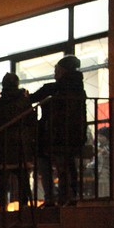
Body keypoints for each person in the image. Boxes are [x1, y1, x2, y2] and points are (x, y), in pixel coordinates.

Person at [29, 55, 87, 207]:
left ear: (62, 70)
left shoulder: (55, 88)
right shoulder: (79, 89)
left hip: (55, 134)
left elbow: (33, 99)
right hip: (73, 133)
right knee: (68, 166)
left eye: (56, 70)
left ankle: (56, 198)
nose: (55, 73)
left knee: (60, 166)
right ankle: (69, 197)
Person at [0, 73, 34, 211]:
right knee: (22, 177)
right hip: (21, 142)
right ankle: (24, 204)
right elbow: (31, 121)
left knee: (3, 178)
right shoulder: (24, 102)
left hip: (2, 143)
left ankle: (2, 205)